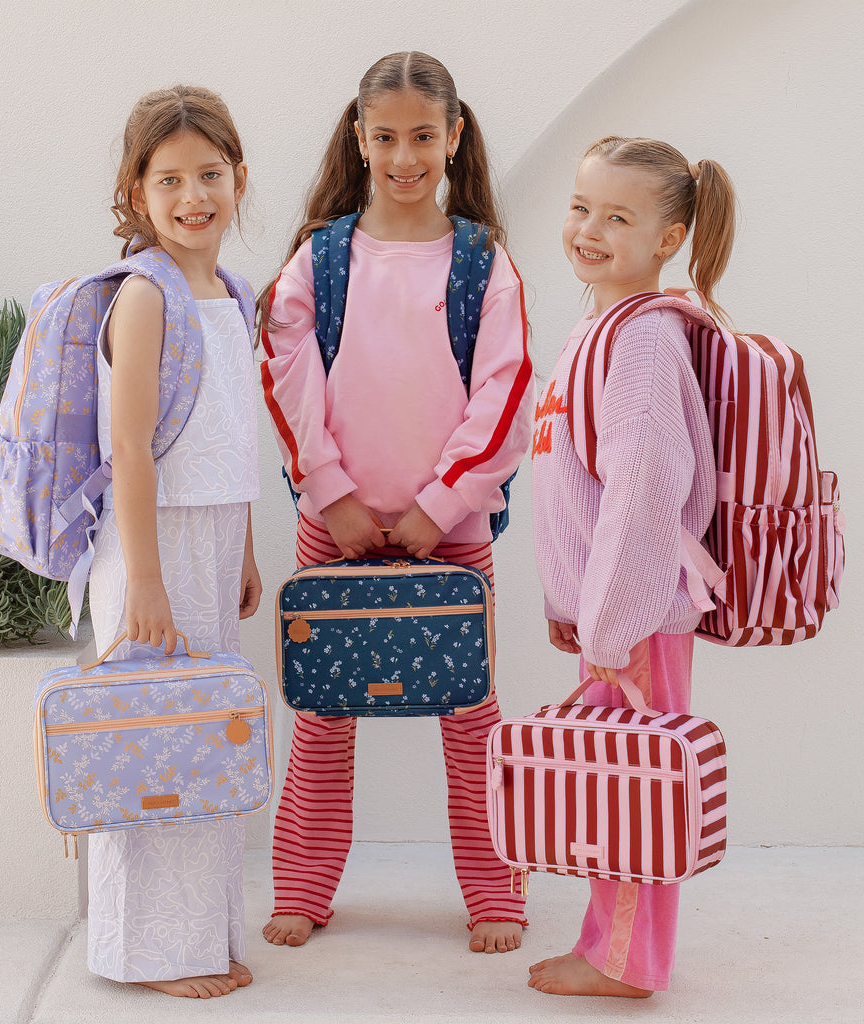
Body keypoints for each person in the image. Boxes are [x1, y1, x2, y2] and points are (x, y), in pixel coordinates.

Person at [258, 51, 534, 954]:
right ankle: (302, 889)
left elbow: (504, 396)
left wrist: (440, 507)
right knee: (321, 721)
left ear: (454, 136)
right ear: (358, 137)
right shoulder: (320, 260)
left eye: (422, 136)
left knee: (472, 721)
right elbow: (287, 377)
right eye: (385, 137)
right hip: (332, 529)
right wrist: (332, 496)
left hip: (449, 535)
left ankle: (495, 896)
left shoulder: (483, 263)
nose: (404, 156)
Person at [529, 135, 736, 996]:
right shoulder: (603, 327)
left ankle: (624, 961)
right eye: (581, 207)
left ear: (668, 238)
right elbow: (578, 480)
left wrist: (609, 622)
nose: (589, 229)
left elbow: (645, 487)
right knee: (613, 782)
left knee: (630, 787)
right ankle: (614, 949)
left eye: (617, 217)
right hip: (615, 609)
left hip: (635, 614)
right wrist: (569, 601)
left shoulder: (645, 340)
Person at [85, 85, 262, 998]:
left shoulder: (233, 293)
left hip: (212, 539)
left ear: (239, 179)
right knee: (148, 743)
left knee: (206, 739)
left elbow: (230, 437)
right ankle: (148, 954)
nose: (194, 196)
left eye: (210, 174)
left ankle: (201, 937)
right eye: (169, 180)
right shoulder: (145, 296)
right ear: (137, 192)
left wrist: (245, 549)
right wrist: (146, 583)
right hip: (152, 546)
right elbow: (130, 450)